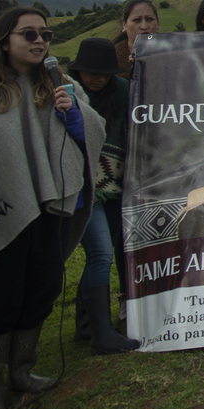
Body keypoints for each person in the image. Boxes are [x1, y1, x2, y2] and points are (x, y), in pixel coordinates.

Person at [0, 7, 105, 409]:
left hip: (48, 206)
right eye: (29, 34)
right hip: (1, 206)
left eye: (46, 34)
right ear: (4, 41)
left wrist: (72, 114)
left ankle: (21, 370)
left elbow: (91, 130)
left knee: (43, 286)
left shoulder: (57, 82)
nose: (40, 41)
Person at [67, 38, 137, 354]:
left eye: (104, 73)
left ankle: (87, 326)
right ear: (79, 70)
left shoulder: (122, 92)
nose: (98, 78)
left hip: (116, 186)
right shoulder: (68, 95)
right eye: (91, 72)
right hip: (85, 189)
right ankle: (102, 334)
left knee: (111, 249)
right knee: (100, 253)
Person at [113, 0, 159, 78]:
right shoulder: (111, 60)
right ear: (124, 25)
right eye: (137, 20)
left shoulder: (173, 55)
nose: (144, 26)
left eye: (149, 19)